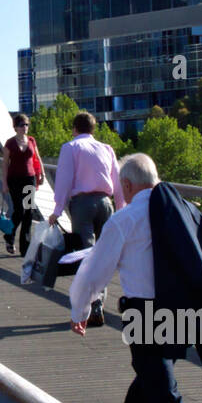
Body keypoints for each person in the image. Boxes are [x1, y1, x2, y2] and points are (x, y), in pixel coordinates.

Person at [68, 153, 202, 403]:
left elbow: (94, 272)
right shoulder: (187, 210)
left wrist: (81, 310)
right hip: (185, 313)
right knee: (151, 377)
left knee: (164, 398)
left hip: (146, 315)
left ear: (127, 185)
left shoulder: (126, 219)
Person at [49, 111, 125, 327]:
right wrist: (121, 208)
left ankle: (95, 306)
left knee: (86, 255)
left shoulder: (71, 148)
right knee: (103, 256)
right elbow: (117, 181)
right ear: (93, 129)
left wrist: (57, 209)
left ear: (75, 129)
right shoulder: (106, 149)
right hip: (105, 204)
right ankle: (97, 301)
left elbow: (64, 180)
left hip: (82, 205)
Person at [1, 114, 44, 257]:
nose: (24, 127)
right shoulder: (10, 143)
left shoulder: (31, 140)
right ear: (15, 127)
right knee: (19, 210)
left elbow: (37, 158)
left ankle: (25, 247)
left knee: (29, 212)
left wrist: (41, 173)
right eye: (21, 125)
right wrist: (5, 183)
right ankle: (9, 235)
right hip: (14, 180)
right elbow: (5, 164)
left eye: (26, 124)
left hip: (29, 179)